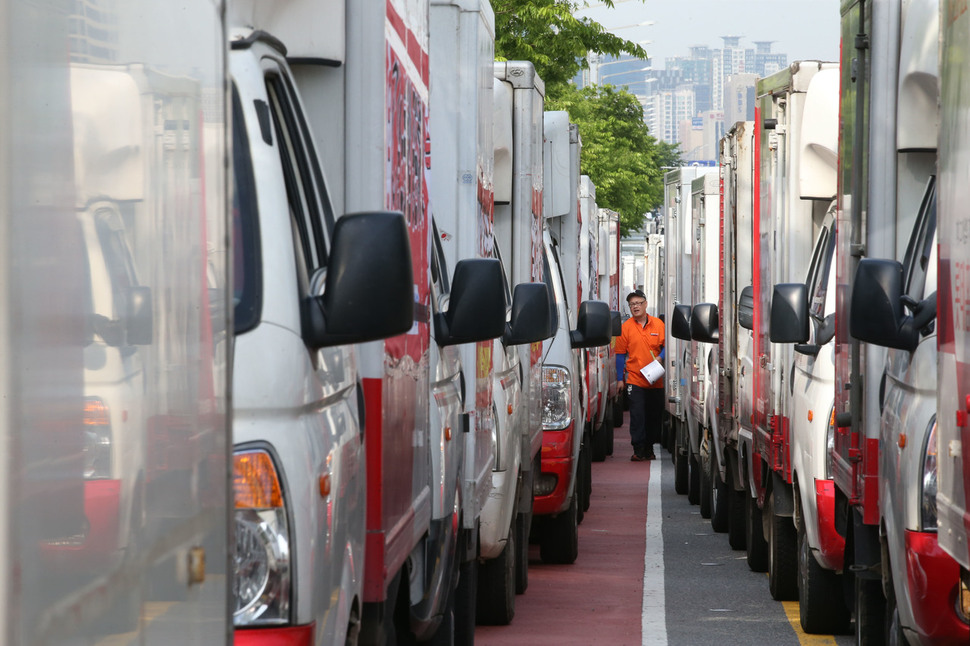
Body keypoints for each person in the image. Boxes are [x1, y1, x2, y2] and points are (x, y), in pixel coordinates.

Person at [615, 289, 665, 461]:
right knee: (637, 416)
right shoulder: (625, 327)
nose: (635, 307)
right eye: (632, 304)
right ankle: (638, 449)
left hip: (655, 380)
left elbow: (667, 347)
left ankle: (649, 448)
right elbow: (620, 354)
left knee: (653, 415)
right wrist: (619, 379)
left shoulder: (658, 324)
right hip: (635, 379)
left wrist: (661, 357)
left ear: (645, 304)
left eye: (638, 303)